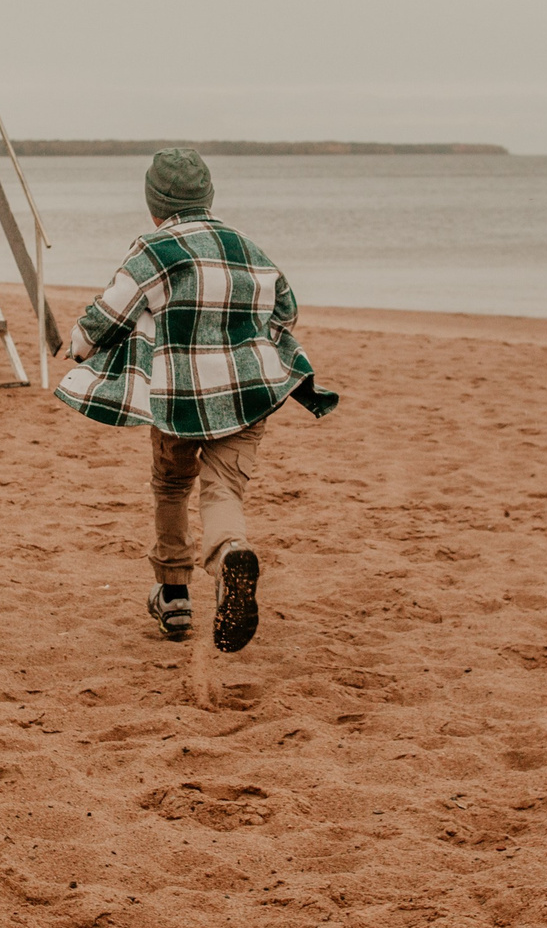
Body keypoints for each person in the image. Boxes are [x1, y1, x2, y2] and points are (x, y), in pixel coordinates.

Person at [55, 148, 337, 652]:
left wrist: (78, 345)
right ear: (209, 196)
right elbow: (286, 311)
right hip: (248, 394)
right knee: (223, 488)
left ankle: (174, 596)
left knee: (170, 486)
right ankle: (229, 553)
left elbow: (109, 315)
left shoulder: (154, 249)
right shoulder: (247, 245)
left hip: (177, 398)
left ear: (153, 205)